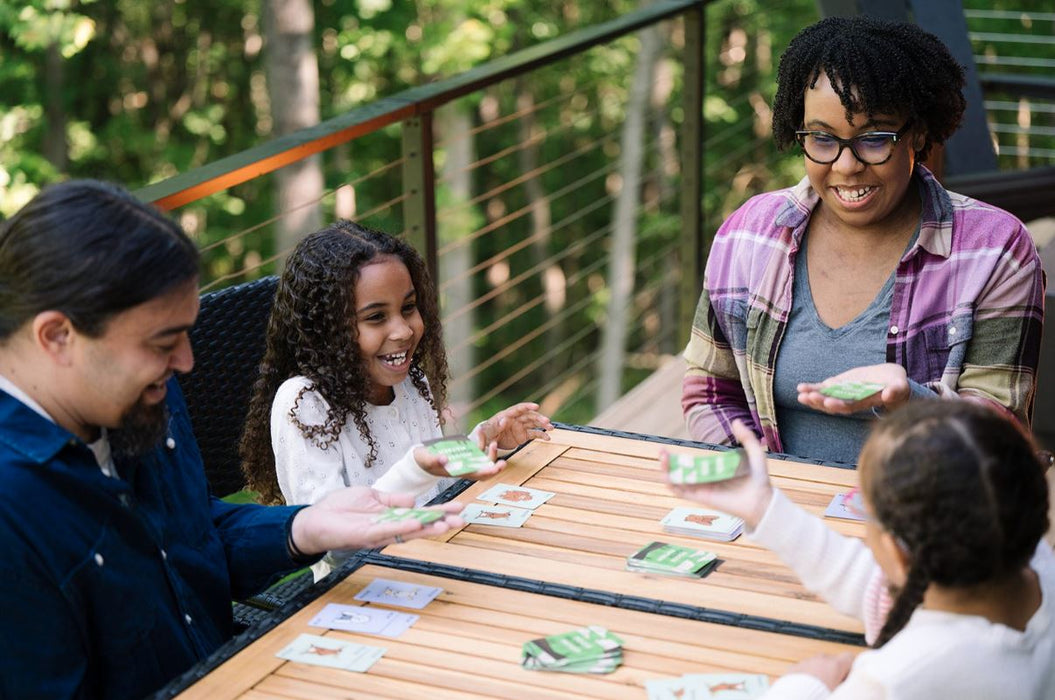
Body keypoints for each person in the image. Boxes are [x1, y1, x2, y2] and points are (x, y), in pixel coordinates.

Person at [0, 180, 464, 700]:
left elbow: (185, 537)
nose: (184, 363)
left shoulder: (142, 394)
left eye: (185, 335)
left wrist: (300, 529)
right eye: (161, 342)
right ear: (57, 337)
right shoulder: (13, 506)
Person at [682, 16, 1044, 463]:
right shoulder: (749, 235)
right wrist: (758, 484)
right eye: (822, 138)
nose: (846, 165)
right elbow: (710, 391)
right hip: (776, 513)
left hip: (925, 518)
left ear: (919, 133)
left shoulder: (995, 251)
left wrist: (909, 402)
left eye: (873, 139)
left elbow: (1001, 441)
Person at [664, 402, 1054, 698]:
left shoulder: (896, 678)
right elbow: (879, 588)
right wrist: (766, 510)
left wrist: (804, 685)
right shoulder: (1034, 564)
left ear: (898, 554)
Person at [239, 221, 552, 579]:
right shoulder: (304, 404)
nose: (403, 331)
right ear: (327, 327)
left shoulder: (410, 381)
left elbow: (434, 490)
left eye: (408, 308)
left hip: (437, 558)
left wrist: (484, 442)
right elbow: (332, 545)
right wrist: (417, 469)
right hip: (362, 588)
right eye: (375, 317)